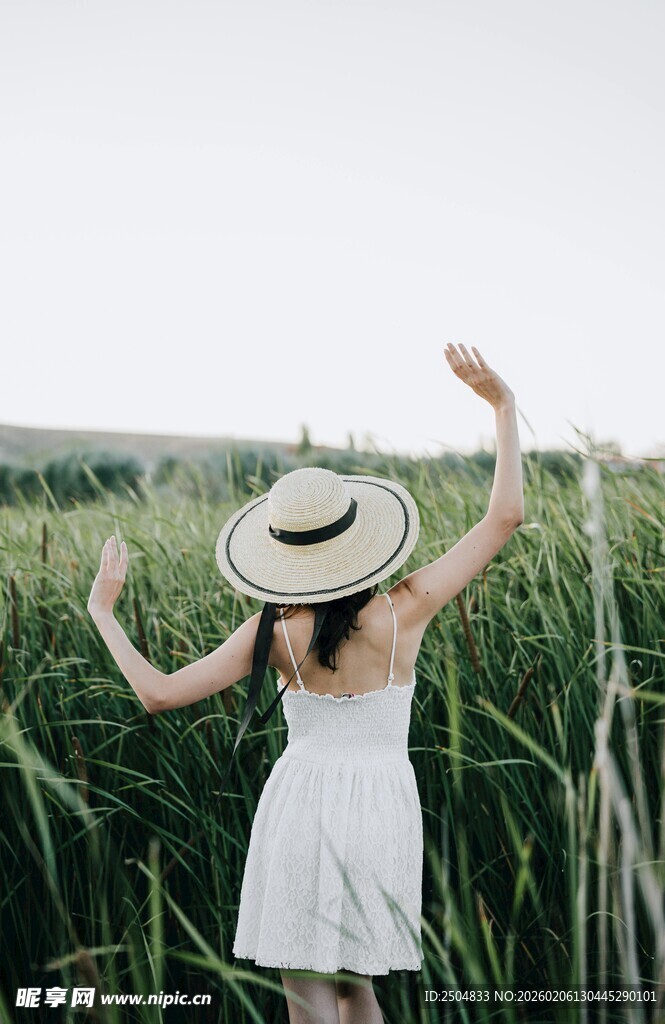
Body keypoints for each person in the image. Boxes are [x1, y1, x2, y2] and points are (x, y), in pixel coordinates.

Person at [87, 342, 524, 1023]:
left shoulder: (271, 633)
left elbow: (158, 694)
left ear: (282, 555)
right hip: (382, 804)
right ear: (360, 539)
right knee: (360, 989)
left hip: (303, 804)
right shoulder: (405, 609)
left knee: (310, 995)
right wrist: (502, 406)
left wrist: (103, 614)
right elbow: (503, 518)